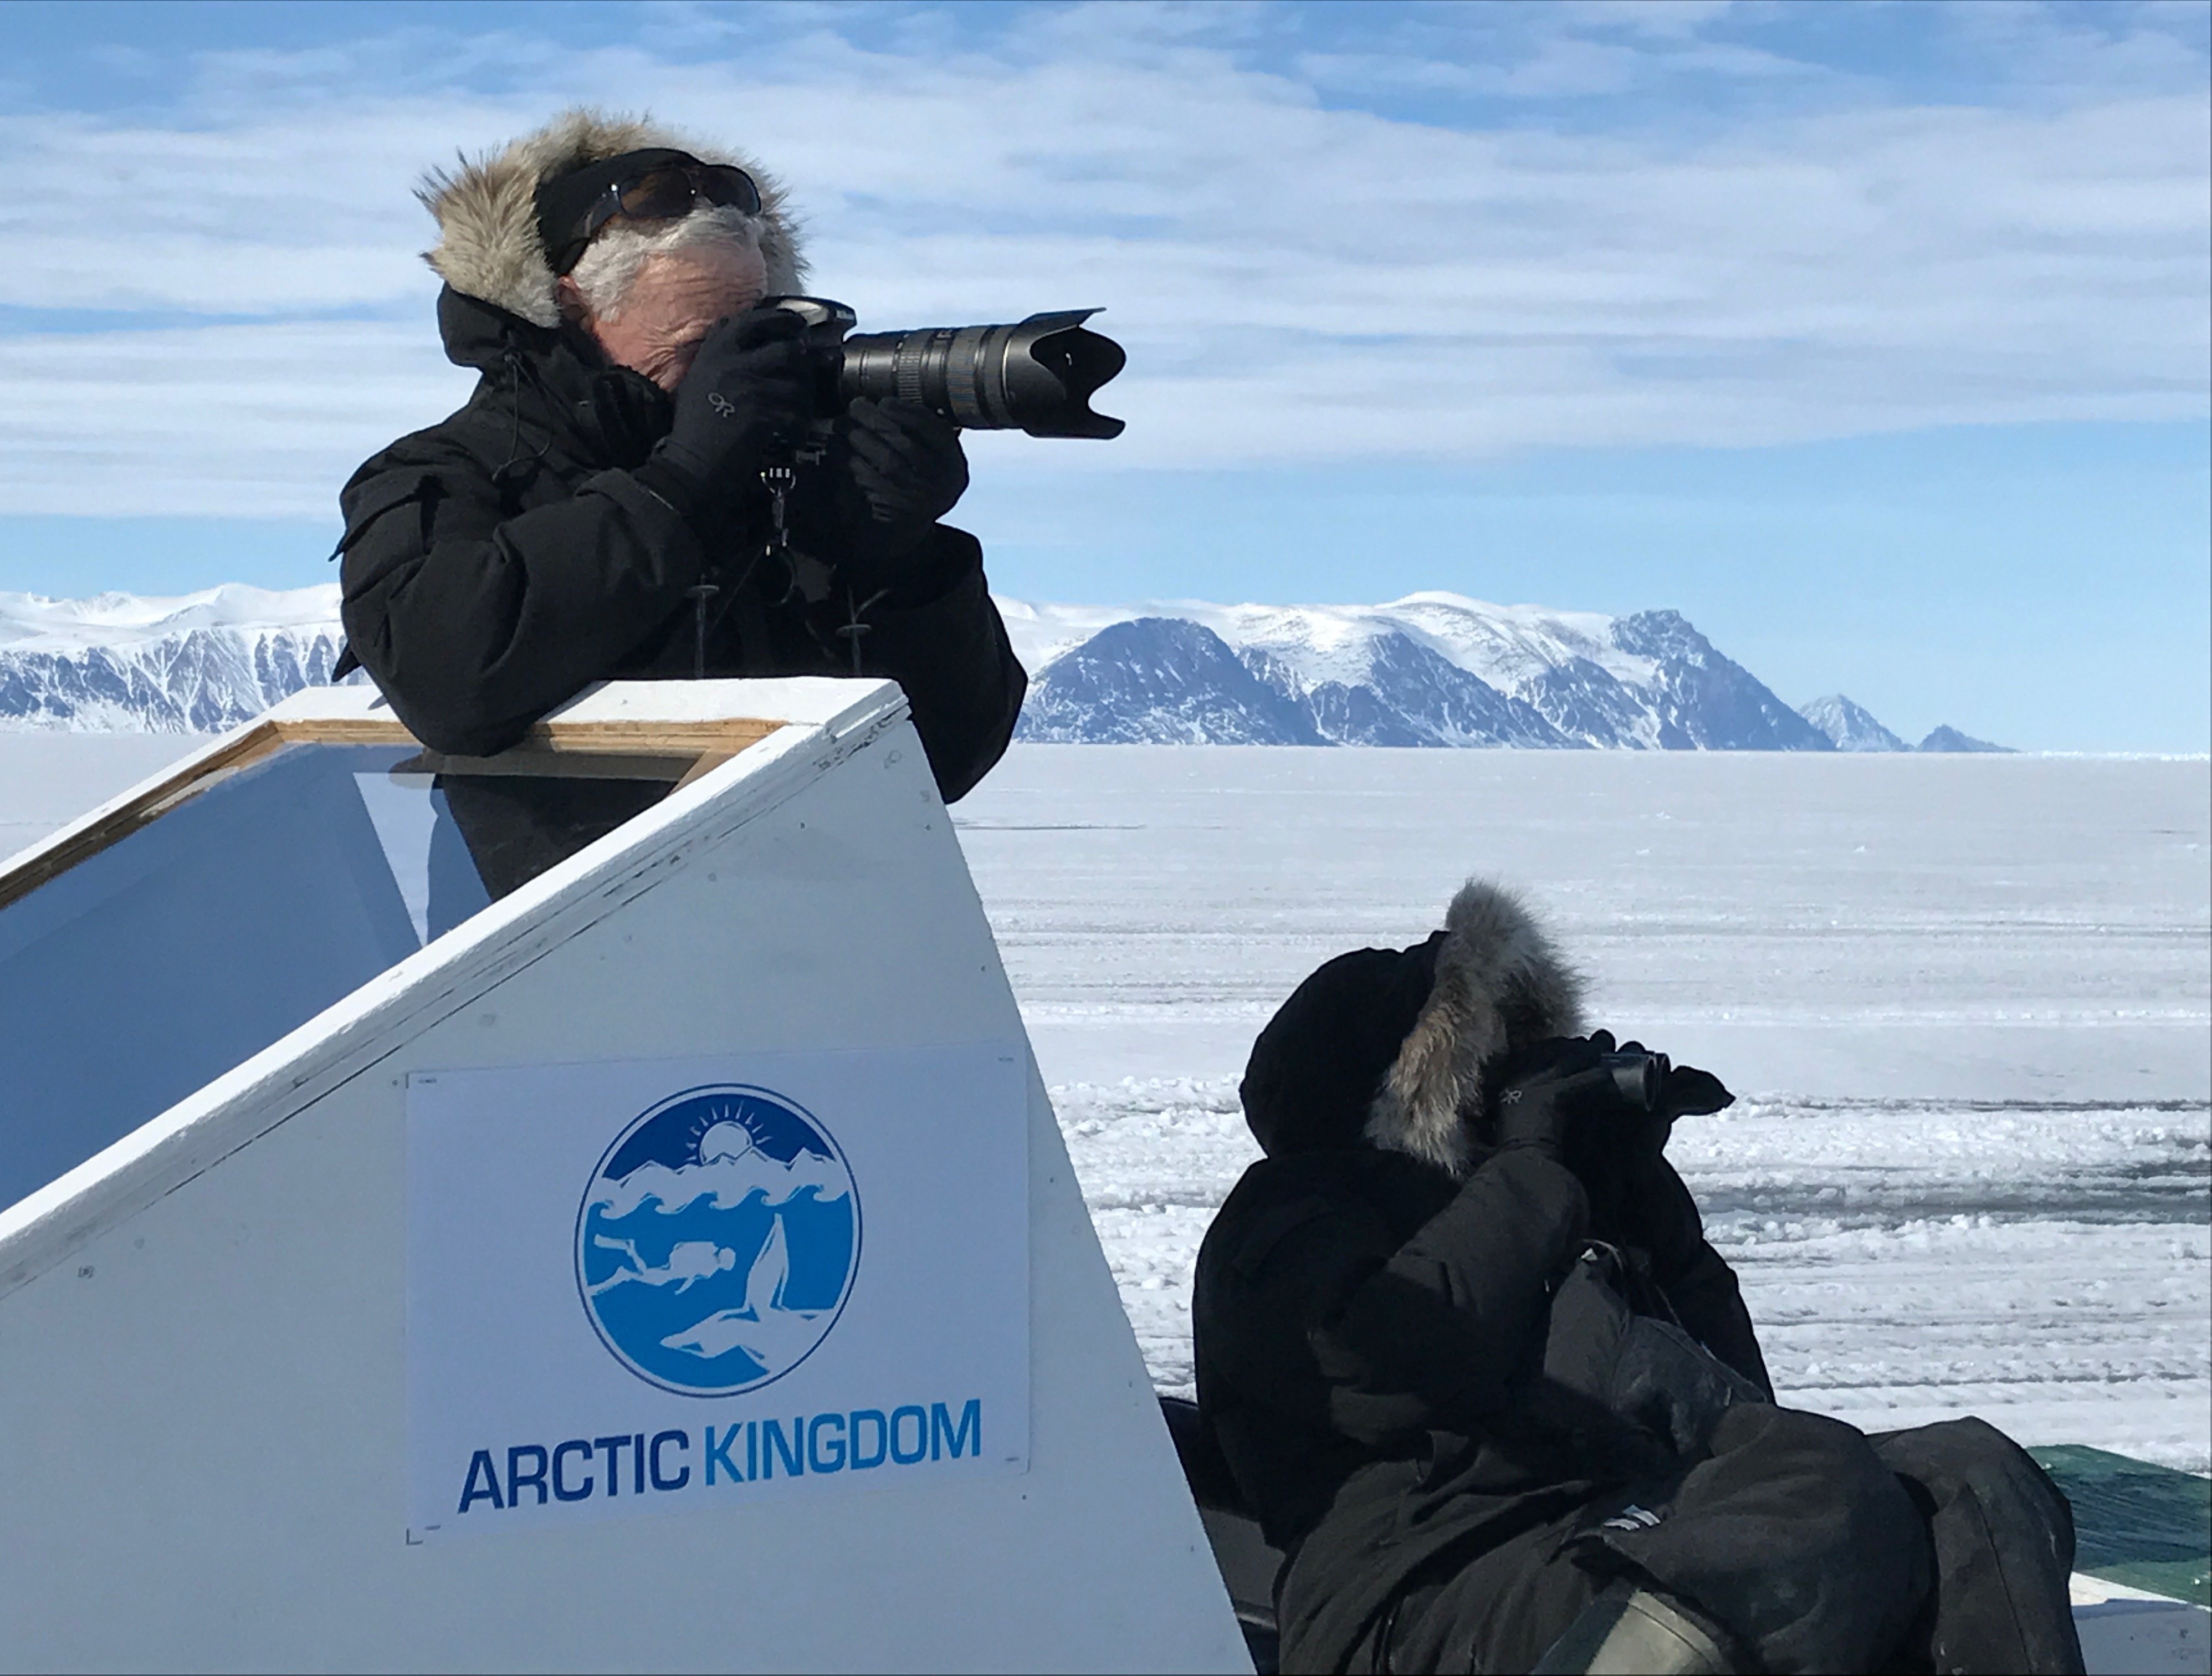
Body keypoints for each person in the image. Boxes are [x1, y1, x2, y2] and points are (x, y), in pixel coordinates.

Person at [1193, 878, 2086, 1675]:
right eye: (1485, 1059)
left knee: (1964, 1479)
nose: (1509, 1080)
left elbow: (1739, 1406)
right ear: (1407, 1084)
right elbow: (1389, 1363)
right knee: (1818, 1493)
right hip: (1416, 1595)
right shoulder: (1287, 1216)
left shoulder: (1534, 1205)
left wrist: (1639, 1193)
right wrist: (1536, 1167)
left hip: (1603, 1539)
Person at [333, 109, 1025, 803]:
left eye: (756, 337)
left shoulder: (783, 484)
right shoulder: (445, 477)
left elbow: (943, 764)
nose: (736, 379)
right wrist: (684, 483)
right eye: (702, 347)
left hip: (804, 897)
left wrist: (902, 568)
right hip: (561, 908)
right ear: (571, 314)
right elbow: (450, 687)